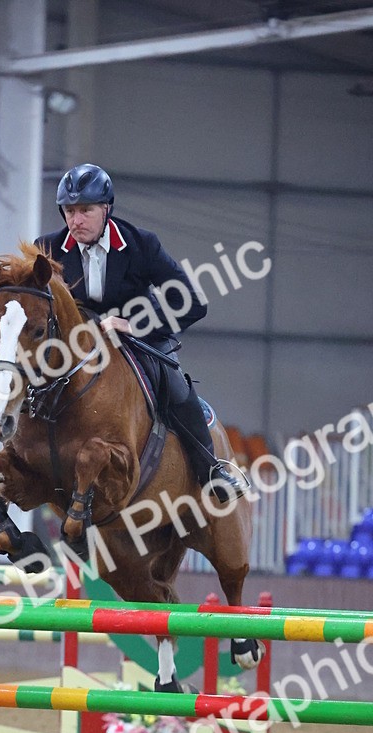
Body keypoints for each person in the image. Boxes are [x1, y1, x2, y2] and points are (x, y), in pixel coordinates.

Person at [36, 163, 245, 502]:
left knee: (176, 388)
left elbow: (191, 301)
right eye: (69, 211)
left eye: (85, 211)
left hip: (138, 340)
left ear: (106, 209)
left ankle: (211, 472)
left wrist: (135, 325)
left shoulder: (141, 245)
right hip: (79, 346)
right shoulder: (48, 248)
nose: (75, 221)